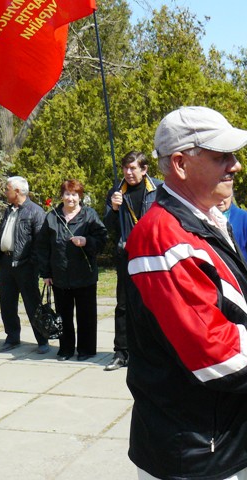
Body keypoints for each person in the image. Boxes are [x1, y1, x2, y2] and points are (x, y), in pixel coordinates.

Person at [124, 106, 247, 480]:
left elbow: (234, 319)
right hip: (196, 450)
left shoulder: (204, 221)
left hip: (217, 437)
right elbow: (217, 353)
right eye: (222, 156)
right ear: (181, 164)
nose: (236, 165)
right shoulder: (164, 238)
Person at [103, 151, 162, 371]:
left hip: (153, 256)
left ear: (144, 169)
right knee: (124, 305)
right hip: (127, 255)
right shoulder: (116, 192)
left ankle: (152, 351)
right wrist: (114, 208)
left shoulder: (159, 190)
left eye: (133, 168)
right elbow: (107, 226)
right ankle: (121, 352)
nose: (128, 172)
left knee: (153, 304)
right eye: (125, 168)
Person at [36, 180, 107, 361]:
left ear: (80, 196)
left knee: (86, 316)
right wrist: (46, 273)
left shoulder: (89, 215)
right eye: (67, 194)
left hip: (84, 275)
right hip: (60, 276)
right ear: (62, 196)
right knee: (63, 315)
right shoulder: (52, 217)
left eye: (74, 194)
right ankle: (66, 349)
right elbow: (43, 247)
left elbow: (102, 238)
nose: (71, 198)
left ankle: (86, 350)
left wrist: (86, 241)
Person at [0, 176, 48, 353]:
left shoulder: (35, 211)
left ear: (17, 191)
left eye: (7, 189)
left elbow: (40, 242)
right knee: (7, 303)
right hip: (6, 262)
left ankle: (42, 339)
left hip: (26, 265)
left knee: (33, 303)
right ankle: (12, 337)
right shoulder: (9, 210)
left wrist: (32, 263)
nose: (5, 192)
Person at [216, 194, 247, 287]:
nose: (220, 200)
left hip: (241, 275)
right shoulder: (205, 217)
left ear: (231, 196)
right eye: (217, 196)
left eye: (225, 196)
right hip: (217, 276)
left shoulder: (244, 217)